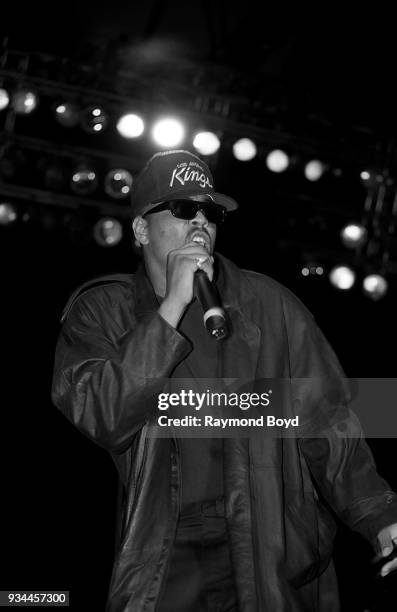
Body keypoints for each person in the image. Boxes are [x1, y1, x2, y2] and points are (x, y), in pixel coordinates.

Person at [52, 149, 397, 612]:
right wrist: (171, 308)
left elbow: (329, 419)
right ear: (140, 229)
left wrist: (379, 515)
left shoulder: (269, 304)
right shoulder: (101, 311)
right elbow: (104, 415)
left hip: (268, 546)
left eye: (210, 213)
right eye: (182, 209)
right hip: (167, 557)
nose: (201, 222)